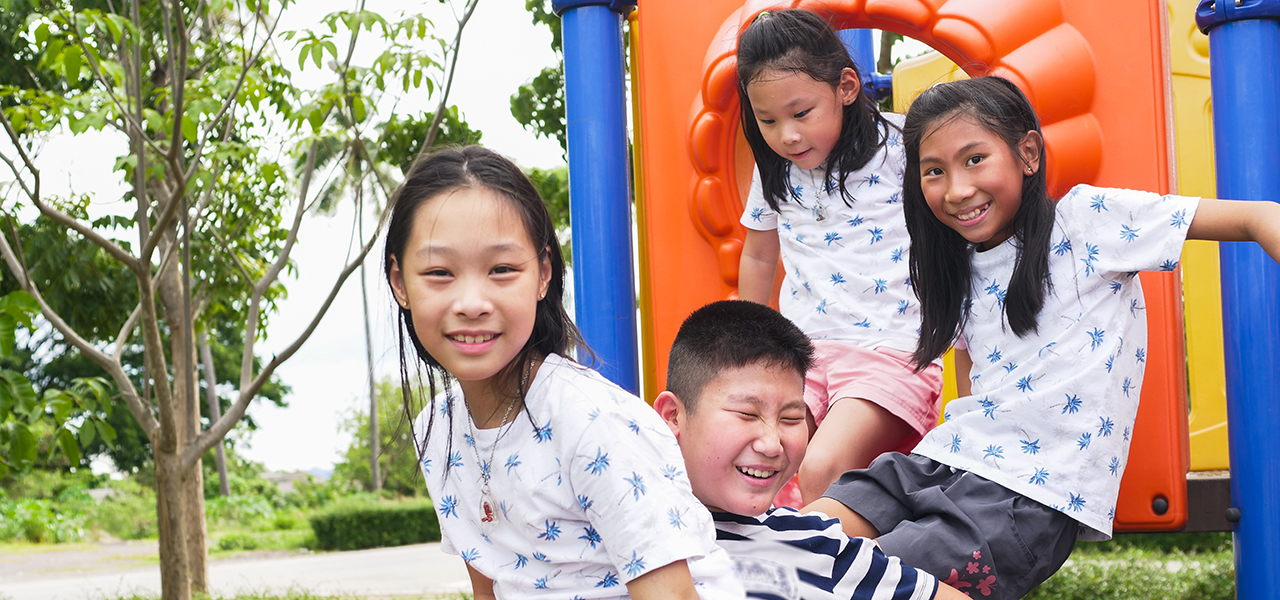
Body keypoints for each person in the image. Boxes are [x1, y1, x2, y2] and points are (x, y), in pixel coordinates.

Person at [807, 76, 1280, 599]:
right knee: (804, 543)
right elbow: (971, 381)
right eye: (934, 171)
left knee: (876, 582)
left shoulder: (1084, 224)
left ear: (1027, 152)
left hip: (1027, 494)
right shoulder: (957, 264)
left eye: (974, 159)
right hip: (944, 462)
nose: (958, 189)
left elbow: (1256, 217)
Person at [385, 146, 743, 600]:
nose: (472, 303)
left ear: (543, 274)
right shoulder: (437, 431)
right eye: (439, 272)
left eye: (502, 269)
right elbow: (489, 589)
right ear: (400, 283)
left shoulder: (593, 423)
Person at [735, 9, 942, 505]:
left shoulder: (903, 151)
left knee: (823, 464)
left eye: (801, 113)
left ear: (846, 87)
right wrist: (749, 347)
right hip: (805, 354)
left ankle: (841, 575)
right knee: (759, 458)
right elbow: (760, 256)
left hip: (892, 351)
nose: (787, 135)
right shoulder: (776, 175)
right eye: (768, 120)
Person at [654, 300, 967, 600]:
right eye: (747, 415)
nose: (771, 443)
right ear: (672, 416)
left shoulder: (815, 548)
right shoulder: (624, 519)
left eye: (792, 418)